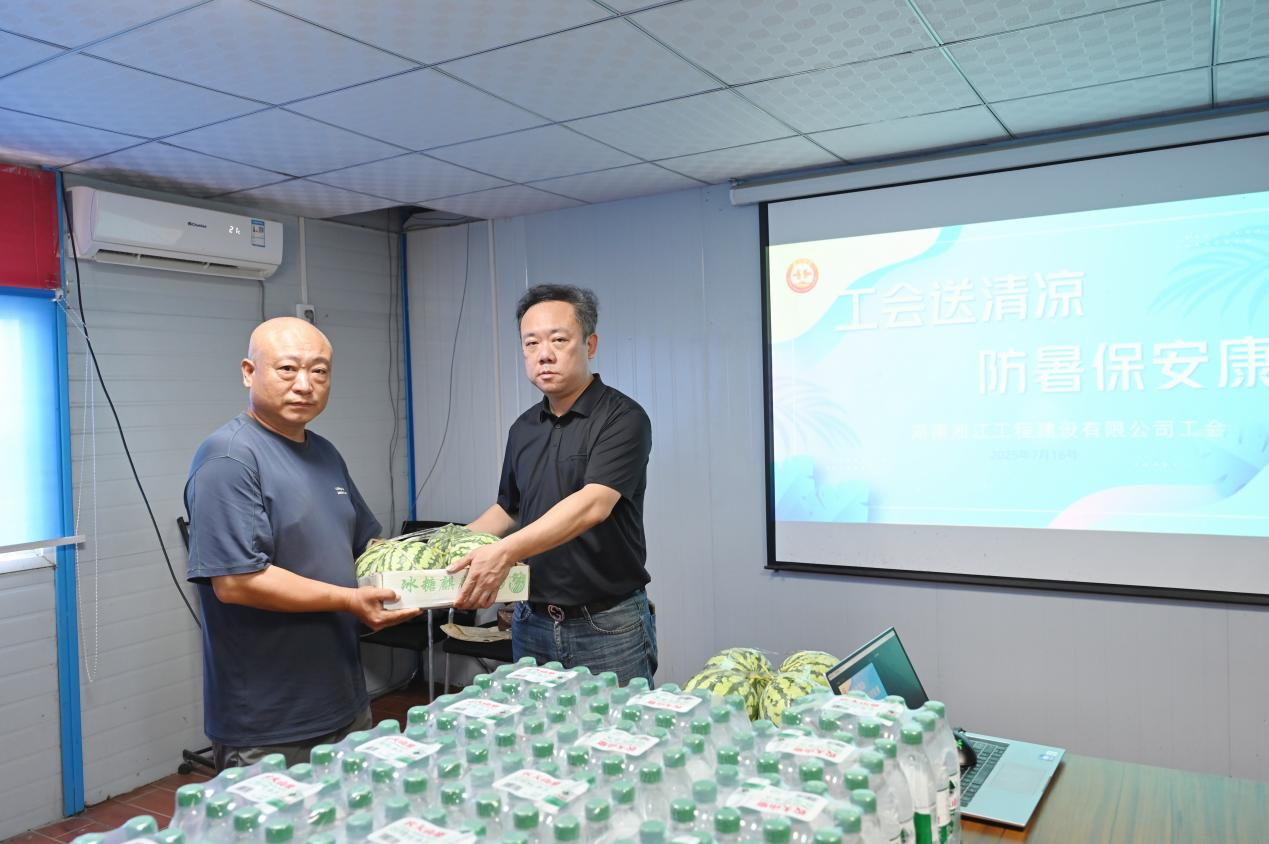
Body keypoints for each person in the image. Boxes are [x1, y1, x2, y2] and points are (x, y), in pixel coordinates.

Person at [184, 317, 419, 768]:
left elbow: (369, 545)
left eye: (319, 371)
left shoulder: (324, 452)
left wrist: (440, 571)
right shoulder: (228, 457)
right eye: (288, 369)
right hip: (269, 720)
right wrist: (350, 600)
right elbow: (237, 582)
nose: (305, 385)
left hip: (344, 700)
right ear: (249, 372)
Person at [449, 284, 656, 684]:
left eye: (559, 340)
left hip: (607, 624)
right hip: (532, 621)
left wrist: (504, 552)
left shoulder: (623, 418)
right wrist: (446, 547)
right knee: (535, 725)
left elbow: (594, 504)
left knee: (618, 724)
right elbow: (508, 509)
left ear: (590, 344)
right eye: (531, 343)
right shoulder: (523, 428)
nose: (544, 354)